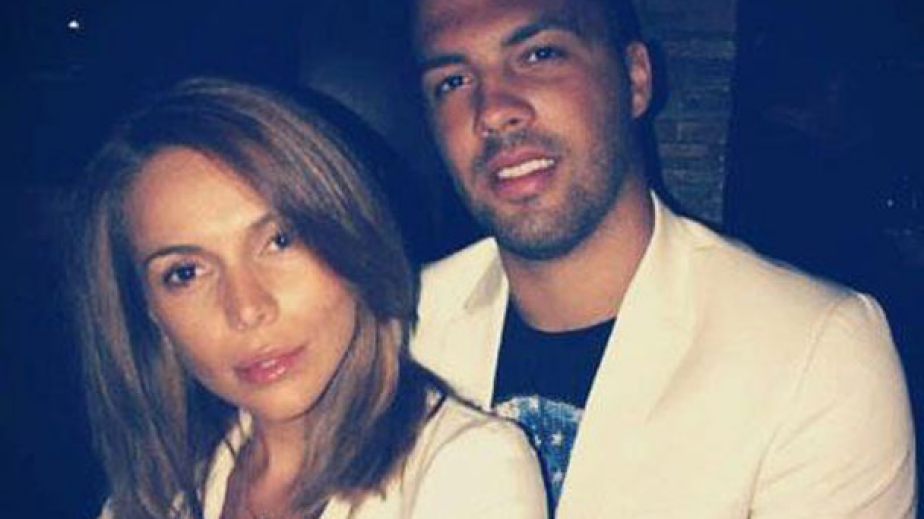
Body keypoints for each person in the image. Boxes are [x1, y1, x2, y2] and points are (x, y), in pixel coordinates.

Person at [407, 0, 916, 516]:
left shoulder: (816, 354)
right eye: (452, 82)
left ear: (635, 79)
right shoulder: (397, 328)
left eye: (540, 55)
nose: (492, 111)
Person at [70, 77, 547, 519]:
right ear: (150, 311)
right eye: (186, 273)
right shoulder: (151, 501)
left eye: (280, 240)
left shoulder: (466, 469)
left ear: (349, 236)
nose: (247, 308)